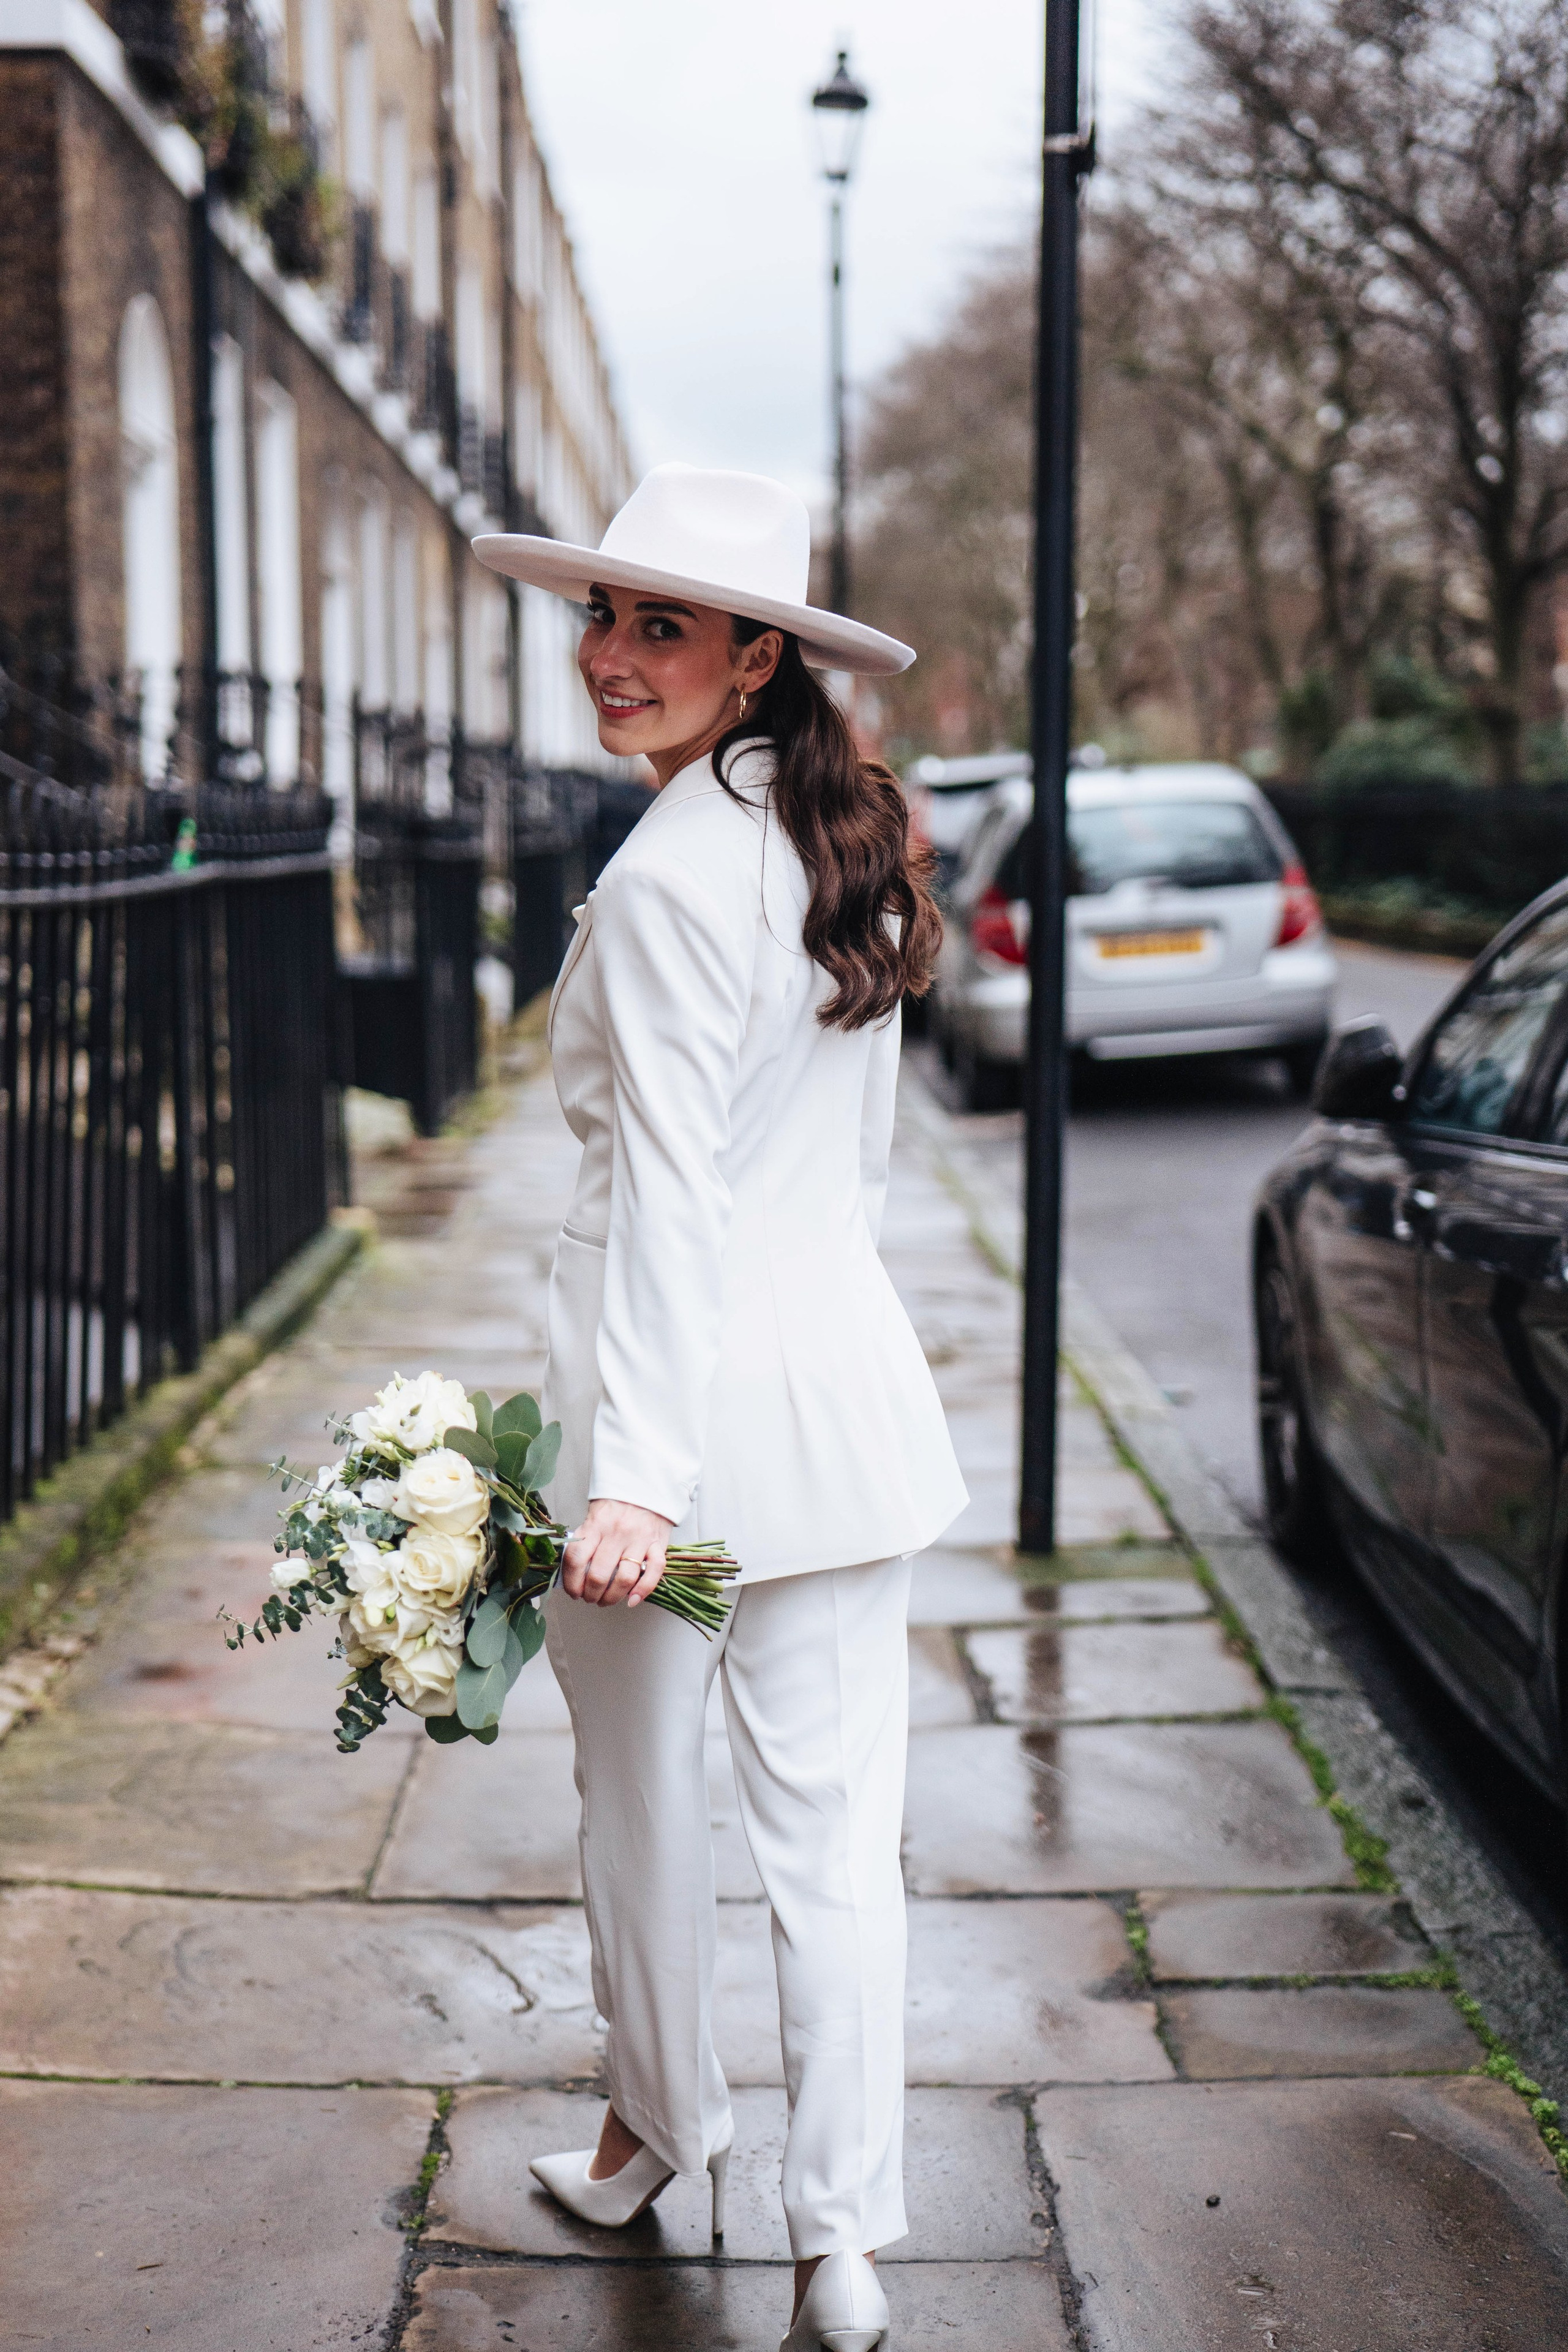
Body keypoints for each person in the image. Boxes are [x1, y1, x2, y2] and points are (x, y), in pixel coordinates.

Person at [473, 464, 966, 2352]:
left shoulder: (679, 870)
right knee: (840, 1851)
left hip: (660, 1441)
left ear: (757, 654)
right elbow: (844, 1165)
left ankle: (661, 2139)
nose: (611, 656)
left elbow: (673, 1191)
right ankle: (843, 2245)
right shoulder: (838, 831)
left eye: (660, 625)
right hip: (841, 1422)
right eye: (603, 615)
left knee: (646, 1828)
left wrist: (645, 1484)